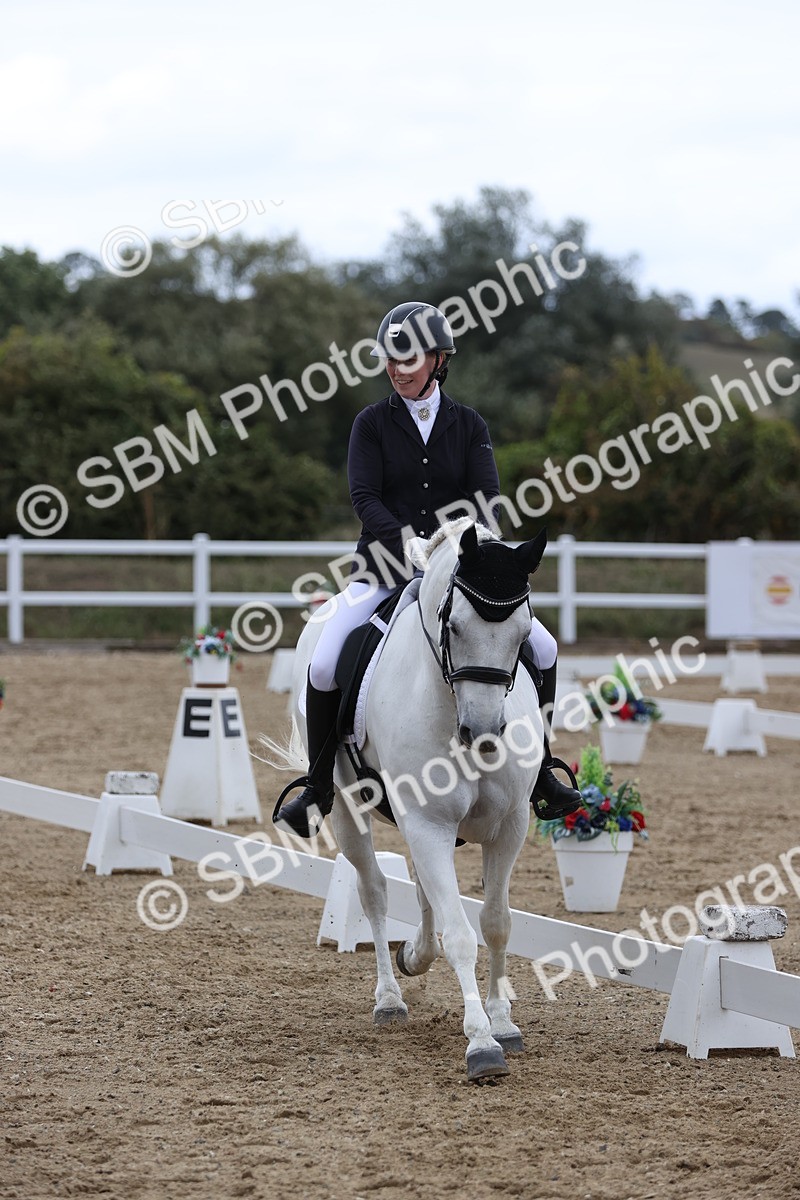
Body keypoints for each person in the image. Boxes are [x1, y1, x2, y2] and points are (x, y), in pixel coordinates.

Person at [275, 301, 581, 838]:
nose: (397, 367)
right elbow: (363, 494)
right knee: (323, 663)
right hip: (382, 569)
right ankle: (318, 786)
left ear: (438, 360)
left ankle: (541, 776)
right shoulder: (370, 423)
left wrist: (455, 545)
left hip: (457, 572)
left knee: (545, 648)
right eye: (390, 358)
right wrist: (404, 541)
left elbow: (487, 498)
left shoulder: (468, 425)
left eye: (408, 357)